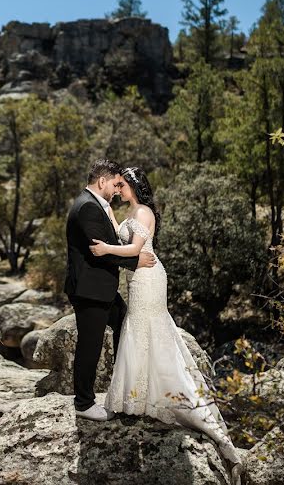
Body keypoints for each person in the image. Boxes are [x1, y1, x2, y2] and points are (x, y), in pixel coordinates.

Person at [89, 166, 244, 485]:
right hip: (135, 280)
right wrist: (107, 206)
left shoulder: (144, 212)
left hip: (148, 279)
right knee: (137, 333)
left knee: (148, 333)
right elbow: (122, 232)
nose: (119, 189)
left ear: (133, 186)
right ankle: (138, 397)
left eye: (122, 185)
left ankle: (173, 400)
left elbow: (133, 250)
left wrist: (105, 250)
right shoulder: (132, 211)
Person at [64, 159, 156, 422]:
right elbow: (99, 251)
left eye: (121, 185)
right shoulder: (87, 208)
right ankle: (83, 402)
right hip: (89, 290)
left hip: (100, 289)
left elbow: (110, 241)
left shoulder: (95, 205)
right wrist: (135, 261)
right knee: (90, 345)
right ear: (102, 181)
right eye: (115, 184)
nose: (117, 189)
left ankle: (124, 388)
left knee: (125, 325)